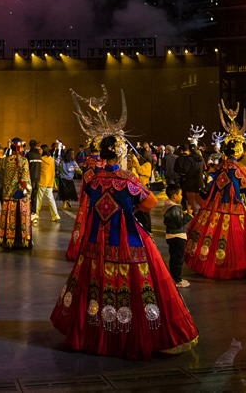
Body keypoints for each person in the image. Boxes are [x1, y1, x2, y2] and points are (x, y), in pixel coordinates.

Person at [51, 113, 198, 360]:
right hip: (126, 238)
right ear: (120, 154)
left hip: (96, 240)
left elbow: (88, 198)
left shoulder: (93, 179)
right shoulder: (127, 179)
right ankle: (131, 330)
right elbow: (150, 201)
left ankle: (94, 331)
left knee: (93, 282)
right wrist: (134, 209)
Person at [185, 138, 246, 280]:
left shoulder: (221, 166)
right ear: (238, 151)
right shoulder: (238, 167)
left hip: (214, 205)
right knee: (234, 238)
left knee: (212, 234)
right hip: (234, 207)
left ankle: (211, 263)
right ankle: (232, 266)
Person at [0, 138, 33, 249]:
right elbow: (25, 179)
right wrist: (28, 189)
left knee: (8, 218)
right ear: (20, 147)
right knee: (20, 219)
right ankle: (21, 241)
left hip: (8, 194)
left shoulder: (6, 160)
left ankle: (7, 240)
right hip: (19, 196)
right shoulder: (23, 161)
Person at [163, 184, 193, 287]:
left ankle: (173, 277)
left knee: (174, 258)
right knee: (178, 259)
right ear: (174, 196)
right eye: (180, 194)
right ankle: (177, 280)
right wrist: (188, 215)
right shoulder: (174, 209)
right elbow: (180, 222)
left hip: (171, 236)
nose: (181, 196)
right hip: (177, 236)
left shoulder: (169, 206)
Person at [176, 144, 204, 214]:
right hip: (199, 181)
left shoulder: (189, 159)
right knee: (198, 197)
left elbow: (185, 170)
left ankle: (193, 214)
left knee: (190, 199)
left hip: (190, 182)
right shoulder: (201, 158)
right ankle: (205, 209)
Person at [37, 144, 60, 221]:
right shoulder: (51, 159)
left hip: (42, 181)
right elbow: (53, 171)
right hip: (50, 182)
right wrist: (54, 182)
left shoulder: (41, 160)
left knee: (39, 199)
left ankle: (36, 214)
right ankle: (55, 215)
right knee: (51, 199)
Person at [27, 140, 43, 221]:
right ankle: (34, 213)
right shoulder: (39, 155)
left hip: (30, 178)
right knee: (35, 196)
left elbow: (26, 168)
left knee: (29, 196)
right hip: (38, 178)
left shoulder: (29, 155)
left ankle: (30, 213)